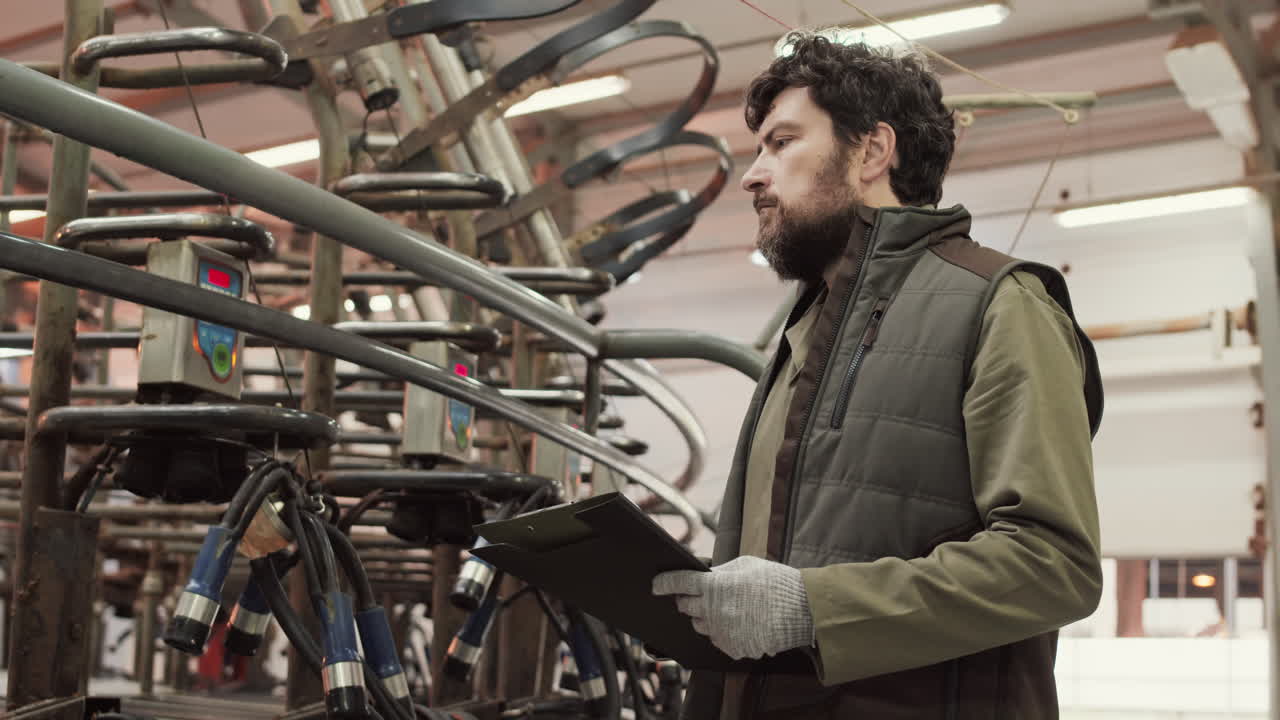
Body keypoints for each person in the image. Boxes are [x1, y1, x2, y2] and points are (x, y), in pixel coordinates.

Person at [651, 32, 1105, 719]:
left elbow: (1054, 566)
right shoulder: (805, 325)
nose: (752, 174)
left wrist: (815, 609)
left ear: (872, 150)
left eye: (781, 143)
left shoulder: (1000, 305)